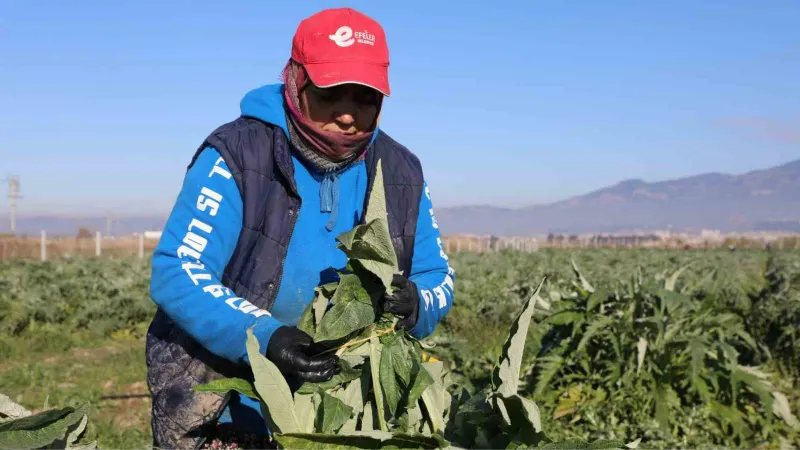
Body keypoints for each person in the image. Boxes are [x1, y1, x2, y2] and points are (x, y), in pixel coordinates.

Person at [144, 7, 455, 450]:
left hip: (349, 408)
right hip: (225, 397)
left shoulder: (401, 171)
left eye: (364, 98)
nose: (348, 115)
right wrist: (266, 337)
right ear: (296, 80)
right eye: (332, 93)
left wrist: (417, 304)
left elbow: (437, 277)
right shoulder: (239, 154)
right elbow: (178, 270)